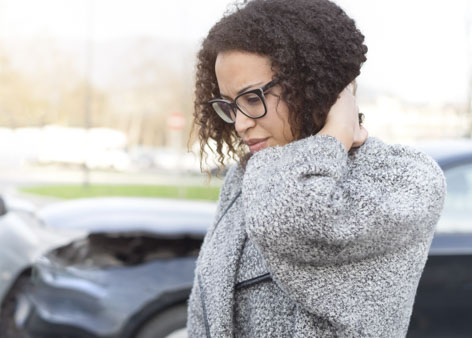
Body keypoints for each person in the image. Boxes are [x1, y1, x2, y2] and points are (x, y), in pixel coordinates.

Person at [186, 0, 446, 337]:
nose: (238, 124)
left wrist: (334, 134)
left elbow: (293, 220)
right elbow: (204, 310)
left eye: (252, 99)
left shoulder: (404, 177)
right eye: (229, 105)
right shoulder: (246, 178)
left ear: (312, 84)